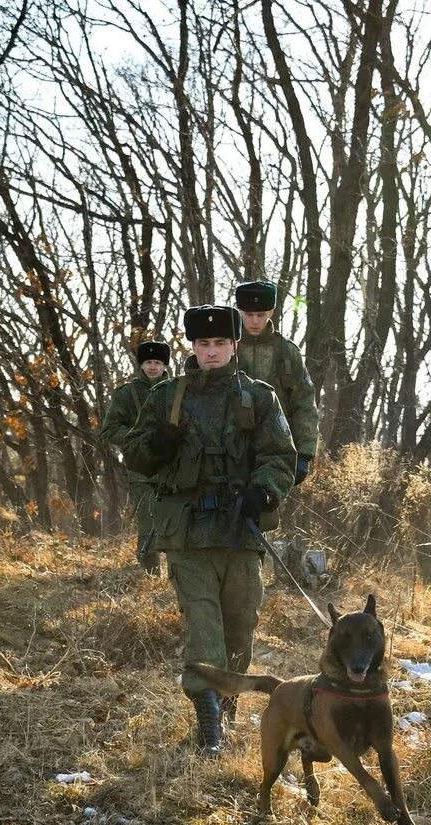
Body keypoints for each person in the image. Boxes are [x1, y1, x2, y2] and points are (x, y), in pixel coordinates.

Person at [123, 306, 296, 756]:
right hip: (189, 534)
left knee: (240, 628)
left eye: (220, 344)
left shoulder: (259, 397)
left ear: (234, 345)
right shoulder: (166, 397)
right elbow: (136, 457)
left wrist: (264, 492)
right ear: (192, 347)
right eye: (203, 344)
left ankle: (228, 712)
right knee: (205, 631)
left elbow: (280, 455)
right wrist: (158, 442)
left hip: (241, 533)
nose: (212, 352)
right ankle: (210, 730)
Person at [234, 280, 319, 484]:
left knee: (269, 512)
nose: (255, 321)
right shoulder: (225, 348)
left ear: (271, 312)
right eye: (249, 314)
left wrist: (304, 453)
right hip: (232, 450)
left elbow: (304, 403)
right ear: (239, 311)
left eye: (261, 314)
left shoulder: (287, 353)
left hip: (276, 451)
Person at [100, 340, 171, 575]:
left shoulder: (176, 390)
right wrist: (137, 438)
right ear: (142, 365)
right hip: (140, 467)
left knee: (176, 519)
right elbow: (109, 429)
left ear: (164, 365)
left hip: (172, 466)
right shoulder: (127, 393)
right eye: (149, 362)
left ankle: (179, 572)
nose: (152, 367)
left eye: (157, 362)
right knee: (148, 518)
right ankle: (151, 573)